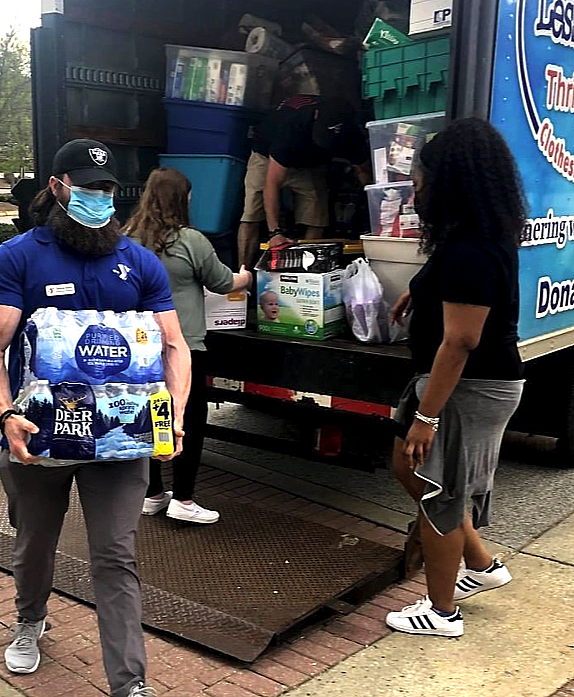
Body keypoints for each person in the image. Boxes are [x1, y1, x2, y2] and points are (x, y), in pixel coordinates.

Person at [0, 139, 190, 697]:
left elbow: (174, 346)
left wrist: (176, 416)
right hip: (38, 435)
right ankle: (29, 618)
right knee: (34, 541)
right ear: (57, 188)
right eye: (87, 187)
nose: (99, 198)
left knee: (115, 554)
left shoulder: (139, 262)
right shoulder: (18, 257)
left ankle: (128, 683)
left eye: (108, 189)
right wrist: (4, 414)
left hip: (121, 436)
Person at [385, 119, 525, 638]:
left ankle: (441, 611)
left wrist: (426, 417)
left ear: (450, 183)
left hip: (471, 387)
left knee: (436, 490)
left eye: (420, 182)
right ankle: (484, 566)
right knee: (409, 468)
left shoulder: (472, 251)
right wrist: (418, 291)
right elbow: (442, 273)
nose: (415, 191)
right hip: (456, 383)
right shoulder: (471, 236)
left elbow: (461, 341)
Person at [125, 168, 252, 525]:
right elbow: (223, 281)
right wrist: (247, 275)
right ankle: (183, 498)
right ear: (183, 199)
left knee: (150, 417)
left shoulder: (126, 239)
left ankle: (151, 494)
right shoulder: (190, 240)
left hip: (139, 348)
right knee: (188, 420)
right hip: (185, 347)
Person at [237, 94, 370, 267]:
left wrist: (378, 213)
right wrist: (274, 233)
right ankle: (243, 275)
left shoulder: (350, 133)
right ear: (315, 116)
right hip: (266, 155)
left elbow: (363, 170)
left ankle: (306, 271)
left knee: (317, 216)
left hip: (311, 164)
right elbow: (272, 183)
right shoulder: (291, 125)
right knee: (251, 213)